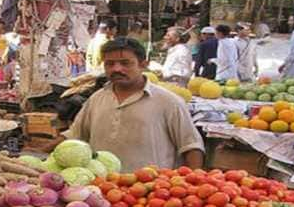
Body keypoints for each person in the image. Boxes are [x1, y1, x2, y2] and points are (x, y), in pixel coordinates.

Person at [50, 37, 204, 172]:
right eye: (110, 64)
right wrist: (37, 151)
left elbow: (191, 146)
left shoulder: (169, 102)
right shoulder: (97, 99)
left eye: (125, 63)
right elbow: (75, 135)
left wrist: (192, 185)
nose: (117, 69)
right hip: (103, 189)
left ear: (143, 64)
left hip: (151, 192)